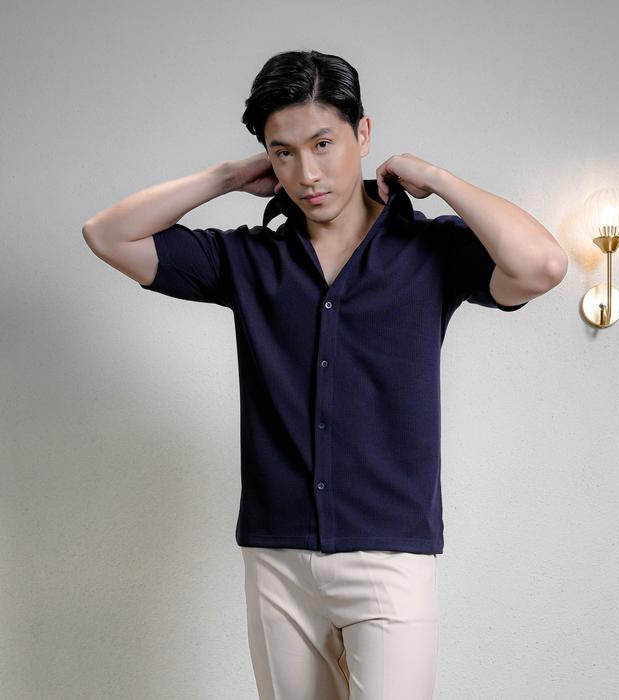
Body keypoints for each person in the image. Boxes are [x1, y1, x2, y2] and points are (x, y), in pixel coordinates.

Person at [82, 49, 567, 700]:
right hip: (278, 556)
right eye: (283, 153)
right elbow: (107, 235)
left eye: (322, 144)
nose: (306, 173)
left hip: (390, 554)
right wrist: (227, 176)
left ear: (363, 133)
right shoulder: (247, 259)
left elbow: (543, 266)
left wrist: (438, 178)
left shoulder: (432, 251)